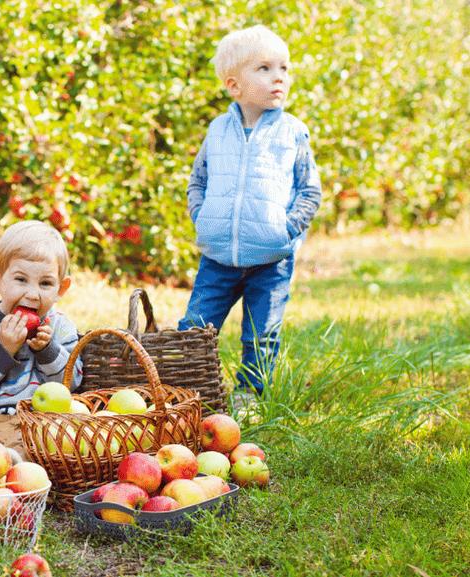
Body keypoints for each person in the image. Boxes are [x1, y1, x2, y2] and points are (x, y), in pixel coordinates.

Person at [177, 25, 322, 406]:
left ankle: (249, 395)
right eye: (264, 68)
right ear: (234, 86)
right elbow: (198, 181)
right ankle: (188, 390)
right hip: (217, 256)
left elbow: (310, 190)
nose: (279, 76)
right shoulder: (218, 130)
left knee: (261, 333)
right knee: (195, 326)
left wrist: (286, 230)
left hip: (271, 258)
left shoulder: (293, 132)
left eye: (284, 68)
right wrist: (203, 218)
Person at [0, 220, 83, 462]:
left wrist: (48, 350)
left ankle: (17, 481)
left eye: (46, 283)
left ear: (61, 289)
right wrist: (2, 351)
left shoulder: (59, 326)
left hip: (37, 422)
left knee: (47, 460)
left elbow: (72, 383)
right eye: (21, 279)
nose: (33, 294)